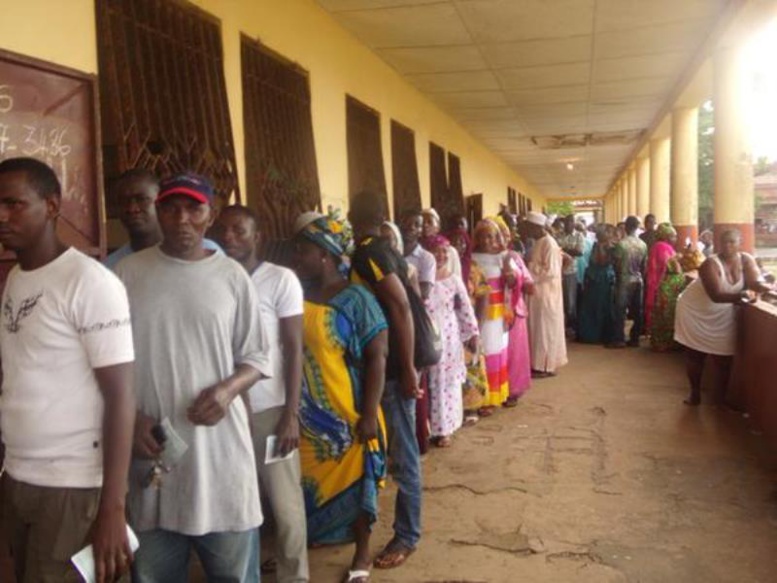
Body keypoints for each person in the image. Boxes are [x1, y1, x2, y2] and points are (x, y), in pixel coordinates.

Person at [114, 172, 270, 583]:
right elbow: (106, 364)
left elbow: (256, 356)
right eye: (171, 207)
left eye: (193, 208)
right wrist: (131, 419)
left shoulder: (232, 277)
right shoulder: (126, 275)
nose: (182, 218)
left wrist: (227, 390)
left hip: (222, 465)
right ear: (158, 211)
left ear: (209, 215)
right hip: (152, 466)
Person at [0, 157, 136, 583]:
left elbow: (121, 395)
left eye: (14, 204)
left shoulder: (89, 282)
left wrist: (112, 507)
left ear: (53, 206)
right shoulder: (18, 277)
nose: (2, 216)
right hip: (19, 474)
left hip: (72, 485)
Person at [213, 205, 309, 583]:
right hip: (226, 413)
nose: (229, 237)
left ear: (258, 237)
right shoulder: (215, 279)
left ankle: (294, 577)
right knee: (239, 506)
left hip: (271, 411)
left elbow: (293, 348)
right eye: (223, 230)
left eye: (239, 230)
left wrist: (291, 413)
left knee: (285, 506)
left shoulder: (280, 280)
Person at [292, 214, 388, 583]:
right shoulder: (296, 291)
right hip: (304, 413)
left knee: (359, 481)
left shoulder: (356, 297)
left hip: (347, 410)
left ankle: (361, 555)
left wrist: (367, 413)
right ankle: (304, 543)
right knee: (302, 485)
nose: (297, 256)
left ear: (326, 254)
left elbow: (378, 355)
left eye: (305, 249)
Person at [347, 192, 422, 571]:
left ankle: (407, 534)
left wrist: (406, 367)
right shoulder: (385, 247)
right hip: (390, 362)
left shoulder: (368, 253)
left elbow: (400, 305)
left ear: (349, 216)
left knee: (403, 454)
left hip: (393, 365)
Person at [674, 229, 773, 406]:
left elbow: (754, 282)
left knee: (724, 358)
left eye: (732, 242)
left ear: (740, 243)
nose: (728, 246)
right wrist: (744, 295)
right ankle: (695, 393)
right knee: (696, 355)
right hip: (696, 311)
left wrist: (767, 287)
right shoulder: (709, 265)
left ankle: (719, 399)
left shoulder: (746, 260)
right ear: (718, 244)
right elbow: (716, 295)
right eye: (724, 242)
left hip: (722, 313)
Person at [104, 168, 220, 269]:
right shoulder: (112, 266)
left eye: (142, 199)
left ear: (159, 204)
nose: (132, 208)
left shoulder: (208, 252)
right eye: (123, 201)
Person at [424, 236, 479, 447]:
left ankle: (444, 429)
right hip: (426, 335)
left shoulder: (453, 279)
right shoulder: (420, 277)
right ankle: (427, 428)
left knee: (446, 383)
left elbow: (465, 307)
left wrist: (473, 334)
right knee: (428, 382)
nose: (441, 256)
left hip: (447, 337)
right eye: (436, 251)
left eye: (445, 251)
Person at [471, 219, 511, 408]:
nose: (487, 240)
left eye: (490, 236)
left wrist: (510, 273)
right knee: (482, 352)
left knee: (495, 350)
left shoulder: (502, 256)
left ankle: (492, 396)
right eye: (483, 236)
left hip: (497, 313)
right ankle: (479, 397)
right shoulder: (471, 257)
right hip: (479, 311)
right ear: (477, 238)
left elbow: (511, 283)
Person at [494, 217, 534, 405]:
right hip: (492, 312)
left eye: (505, 235)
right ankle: (493, 392)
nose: (501, 239)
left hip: (514, 311)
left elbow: (528, 281)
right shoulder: (484, 258)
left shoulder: (514, 257)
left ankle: (513, 390)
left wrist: (523, 284)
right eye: (498, 234)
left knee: (514, 353)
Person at [525, 211, 568, 377]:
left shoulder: (548, 243)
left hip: (546, 294)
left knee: (544, 331)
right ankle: (540, 364)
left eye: (527, 227)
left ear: (536, 227)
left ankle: (544, 366)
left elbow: (550, 271)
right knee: (539, 331)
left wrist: (528, 270)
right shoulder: (541, 242)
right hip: (539, 294)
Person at [608, 216, 648, 348]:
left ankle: (619, 339)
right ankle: (634, 339)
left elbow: (616, 264)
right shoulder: (643, 245)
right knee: (637, 311)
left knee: (620, 310)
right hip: (638, 280)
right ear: (637, 227)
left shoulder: (621, 244)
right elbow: (644, 266)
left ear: (625, 227)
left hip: (624, 280)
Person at [647, 225, 686, 352]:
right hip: (667, 286)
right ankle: (664, 343)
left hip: (667, 285)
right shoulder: (662, 247)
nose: (675, 238)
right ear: (665, 236)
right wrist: (679, 257)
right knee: (666, 314)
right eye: (672, 236)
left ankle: (662, 342)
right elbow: (670, 266)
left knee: (664, 314)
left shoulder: (659, 246)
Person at [577, 225, 616, 344]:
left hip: (602, 279)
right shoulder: (597, 245)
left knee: (602, 306)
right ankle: (592, 334)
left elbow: (602, 261)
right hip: (595, 279)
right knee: (594, 307)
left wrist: (601, 248)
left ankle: (600, 334)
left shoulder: (609, 247)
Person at [557, 214, 585, 335]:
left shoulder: (579, 236)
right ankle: (561, 326)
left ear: (574, 223)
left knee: (570, 302)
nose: (568, 224)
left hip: (570, 272)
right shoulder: (558, 235)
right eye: (567, 222)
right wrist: (567, 250)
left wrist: (563, 249)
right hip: (557, 272)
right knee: (559, 300)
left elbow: (579, 252)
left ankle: (571, 327)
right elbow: (555, 250)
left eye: (571, 222)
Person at [399, 213, 436, 300]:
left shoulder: (426, 258)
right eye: (407, 223)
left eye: (417, 225)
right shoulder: (392, 253)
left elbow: (424, 292)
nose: (411, 227)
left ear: (421, 232)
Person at [421, 208, 462, 279]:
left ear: (438, 227)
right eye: (422, 223)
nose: (425, 225)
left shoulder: (450, 251)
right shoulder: (417, 250)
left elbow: (457, 277)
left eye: (429, 222)